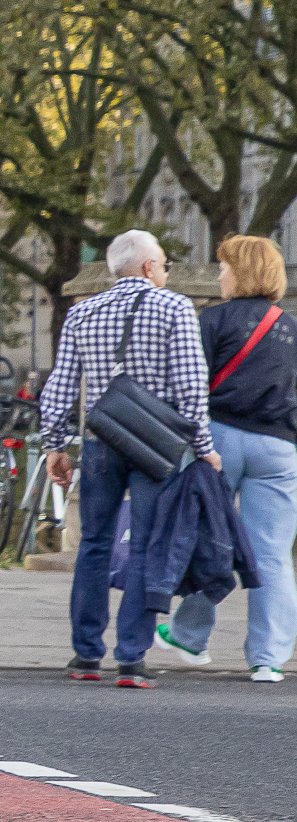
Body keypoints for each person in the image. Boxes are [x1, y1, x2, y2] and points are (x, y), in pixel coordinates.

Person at [37, 230, 219, 687]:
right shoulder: (175, 307)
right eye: (162, 264)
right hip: (155, 446)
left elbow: (60, 386)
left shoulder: (82, 311)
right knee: (145, 545)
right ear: (146, 268)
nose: (165, 272)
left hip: (101, 440)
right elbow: (190, 386)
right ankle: (132, 659)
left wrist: (55, 445)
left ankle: (85, 655)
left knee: (94, 545)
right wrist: (204, 447)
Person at [157, 234, 296, 682]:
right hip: (278, 448)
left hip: (217, 439)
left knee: (207, 541)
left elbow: (191, 388)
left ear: (242, 271)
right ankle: (269, 658)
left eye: (224, 267)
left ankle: (190, 636)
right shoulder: (292, 328)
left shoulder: (211, 320)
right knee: (272, 554)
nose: (219, 274)